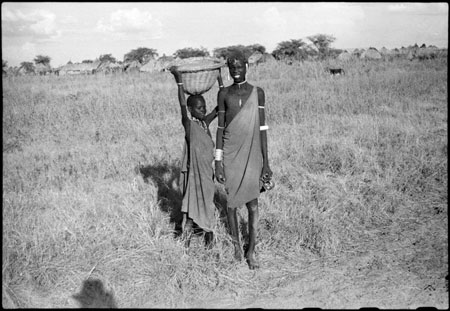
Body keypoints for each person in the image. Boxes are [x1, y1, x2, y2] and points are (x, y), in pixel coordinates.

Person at [215, 50, 273, 269]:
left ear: (247, 67)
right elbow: (220, 128)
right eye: (232, 67)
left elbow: (262, 128)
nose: (236, 71)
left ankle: (252, 251)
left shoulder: (257, 93)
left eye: (239, 67)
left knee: (253, 204)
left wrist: (266, 161)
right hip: (230, 154)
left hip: (252, 154)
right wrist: (218, 162)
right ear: (228, 69)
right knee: (231, 205)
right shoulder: (224, 94)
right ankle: (237, 247)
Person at [169, 66, 223, 249]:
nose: (202, 110)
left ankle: (210, 244)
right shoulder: (189, 124)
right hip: (194, 175)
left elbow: (219, 107)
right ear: (191, 110)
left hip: (207, 174)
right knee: (191, 209)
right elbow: (182, 105)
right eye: (198, 108)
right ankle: (185, 243)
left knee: (208, 205)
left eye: (203, 107)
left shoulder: (204, 123)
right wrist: (179, 82)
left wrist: (220, 80)